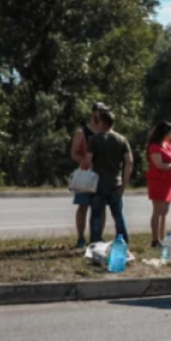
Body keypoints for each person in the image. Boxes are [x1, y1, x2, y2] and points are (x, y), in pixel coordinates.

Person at [83, 109, 133, 244]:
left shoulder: (94, 139)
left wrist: (90, 168)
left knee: (96, 215)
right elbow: (129, 162)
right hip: (115, 183)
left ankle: (95, 242)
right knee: (118, 215)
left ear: (103, 123)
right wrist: (124, 184)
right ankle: (123, 241)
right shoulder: (122, 139)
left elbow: (87, 161)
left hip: (98, 184)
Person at [70, 102, 108, 248]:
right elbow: (74, 153)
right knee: (83, 206)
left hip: (102, 175)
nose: (101, 114)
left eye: (103, 112)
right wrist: (87, 161)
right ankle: (80, 237)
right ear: (92, 113)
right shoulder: (82, 133)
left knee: (101, 207)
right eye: (99, 111)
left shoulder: (106, 132)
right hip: (86, 175)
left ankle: (98, 237)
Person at [146, 121, 171, 247]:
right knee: (157, 210)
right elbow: (160, 165)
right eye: (170, 132)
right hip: (158, 181)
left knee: (164, 211)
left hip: (168, 181)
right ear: (163, 133)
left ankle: (163, 238)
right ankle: (155, 240)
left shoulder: (168, 145)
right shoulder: (154, 147)